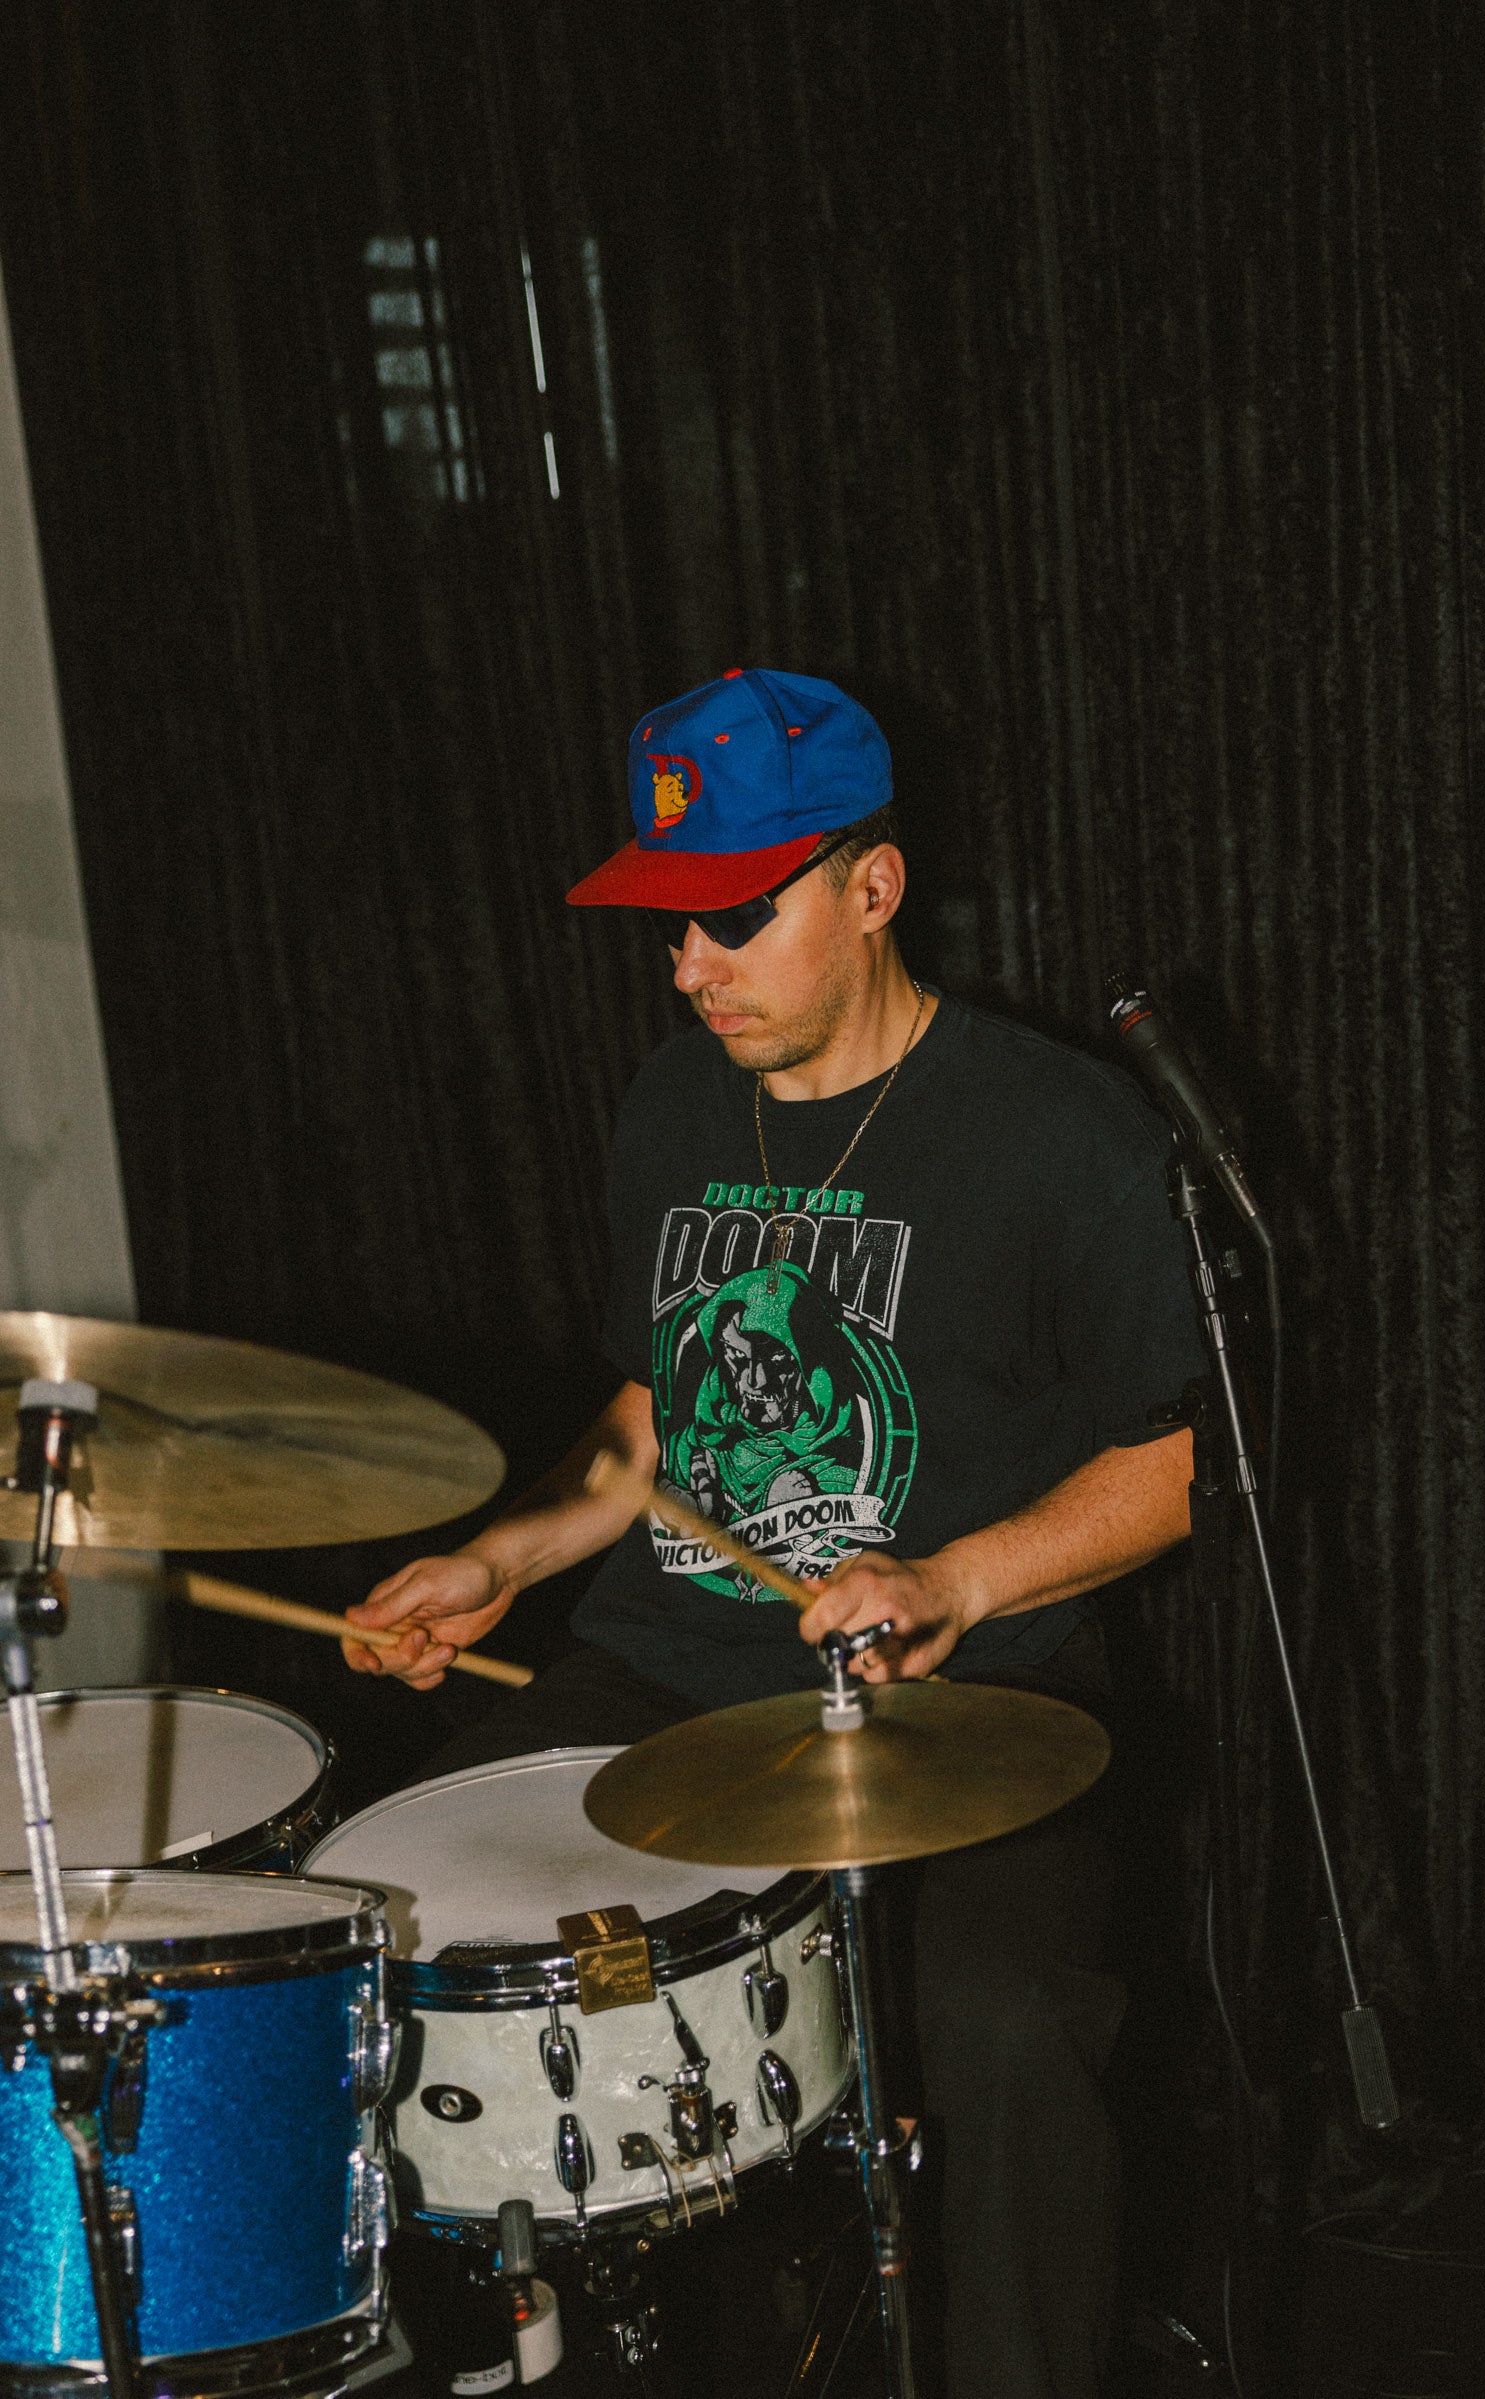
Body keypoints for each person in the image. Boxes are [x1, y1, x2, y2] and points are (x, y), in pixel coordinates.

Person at [343, 667, 1204, 2398]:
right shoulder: (675, 1102)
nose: (690, 966)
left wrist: (952, 1578)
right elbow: (649, 1414)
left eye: (732, 920)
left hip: (968, 1699)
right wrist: (505, 1559)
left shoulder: (1062, 1133)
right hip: (661, 1673)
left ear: (874, 887)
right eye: (670, 926)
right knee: (380, 1937)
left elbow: (1180, 1463)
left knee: (1006, 2033)